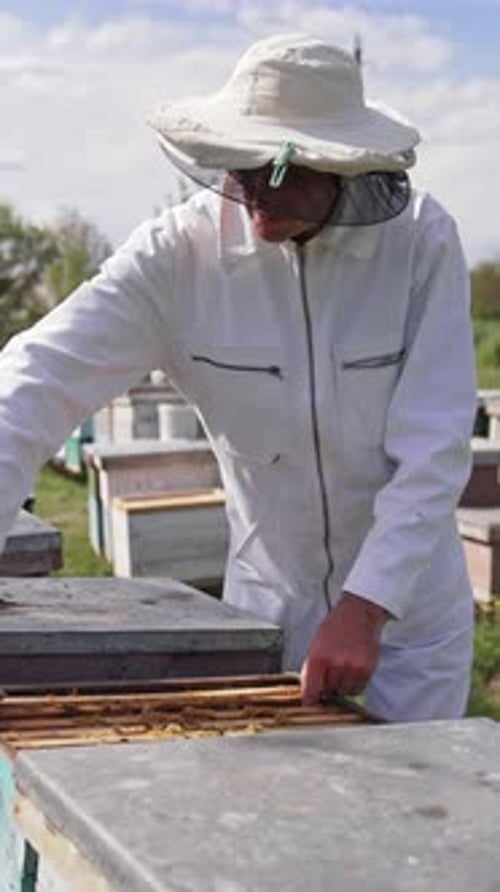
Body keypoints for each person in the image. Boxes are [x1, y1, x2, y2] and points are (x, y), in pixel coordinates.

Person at [0, 33, 476, 721]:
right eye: (244, 169)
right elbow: (33, 381)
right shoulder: (176, 256)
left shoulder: (420, 242)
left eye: (284, 174)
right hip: (270, 600)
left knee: (414, 811)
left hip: (409, 609)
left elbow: (435, 448)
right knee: (286, 809)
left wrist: (369, 605)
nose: (258, 195)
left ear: (343, 167)